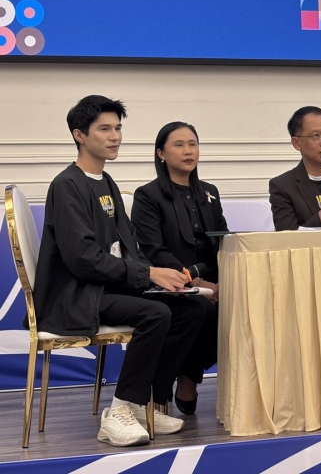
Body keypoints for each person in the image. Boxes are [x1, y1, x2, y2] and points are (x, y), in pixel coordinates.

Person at [33, 96, 204, 447]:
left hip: (107, 286)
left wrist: (159, 275)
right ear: (80, 135)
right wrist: (148, 276)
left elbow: (128, 248)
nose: (115, 136)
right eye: (105, 129)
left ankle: (145, 403)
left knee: (193, 308)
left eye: (118, 128)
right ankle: (120, 410)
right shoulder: (67, 185)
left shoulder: (106, 181)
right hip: (77, 295)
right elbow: (82, 258)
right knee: (155, 314)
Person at [132, 122, 227, 416]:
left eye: (193, 144)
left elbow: (223, 242)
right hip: (169, 283)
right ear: (161, 153)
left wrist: (226, 282)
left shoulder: (210, 193)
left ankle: (189, 375)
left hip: (212, 281)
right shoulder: (148, 195)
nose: (188, 151)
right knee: (202, 309)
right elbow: (153, 250)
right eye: (179, 145)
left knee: (244, 305)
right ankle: (185, 380)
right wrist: (196, 283)